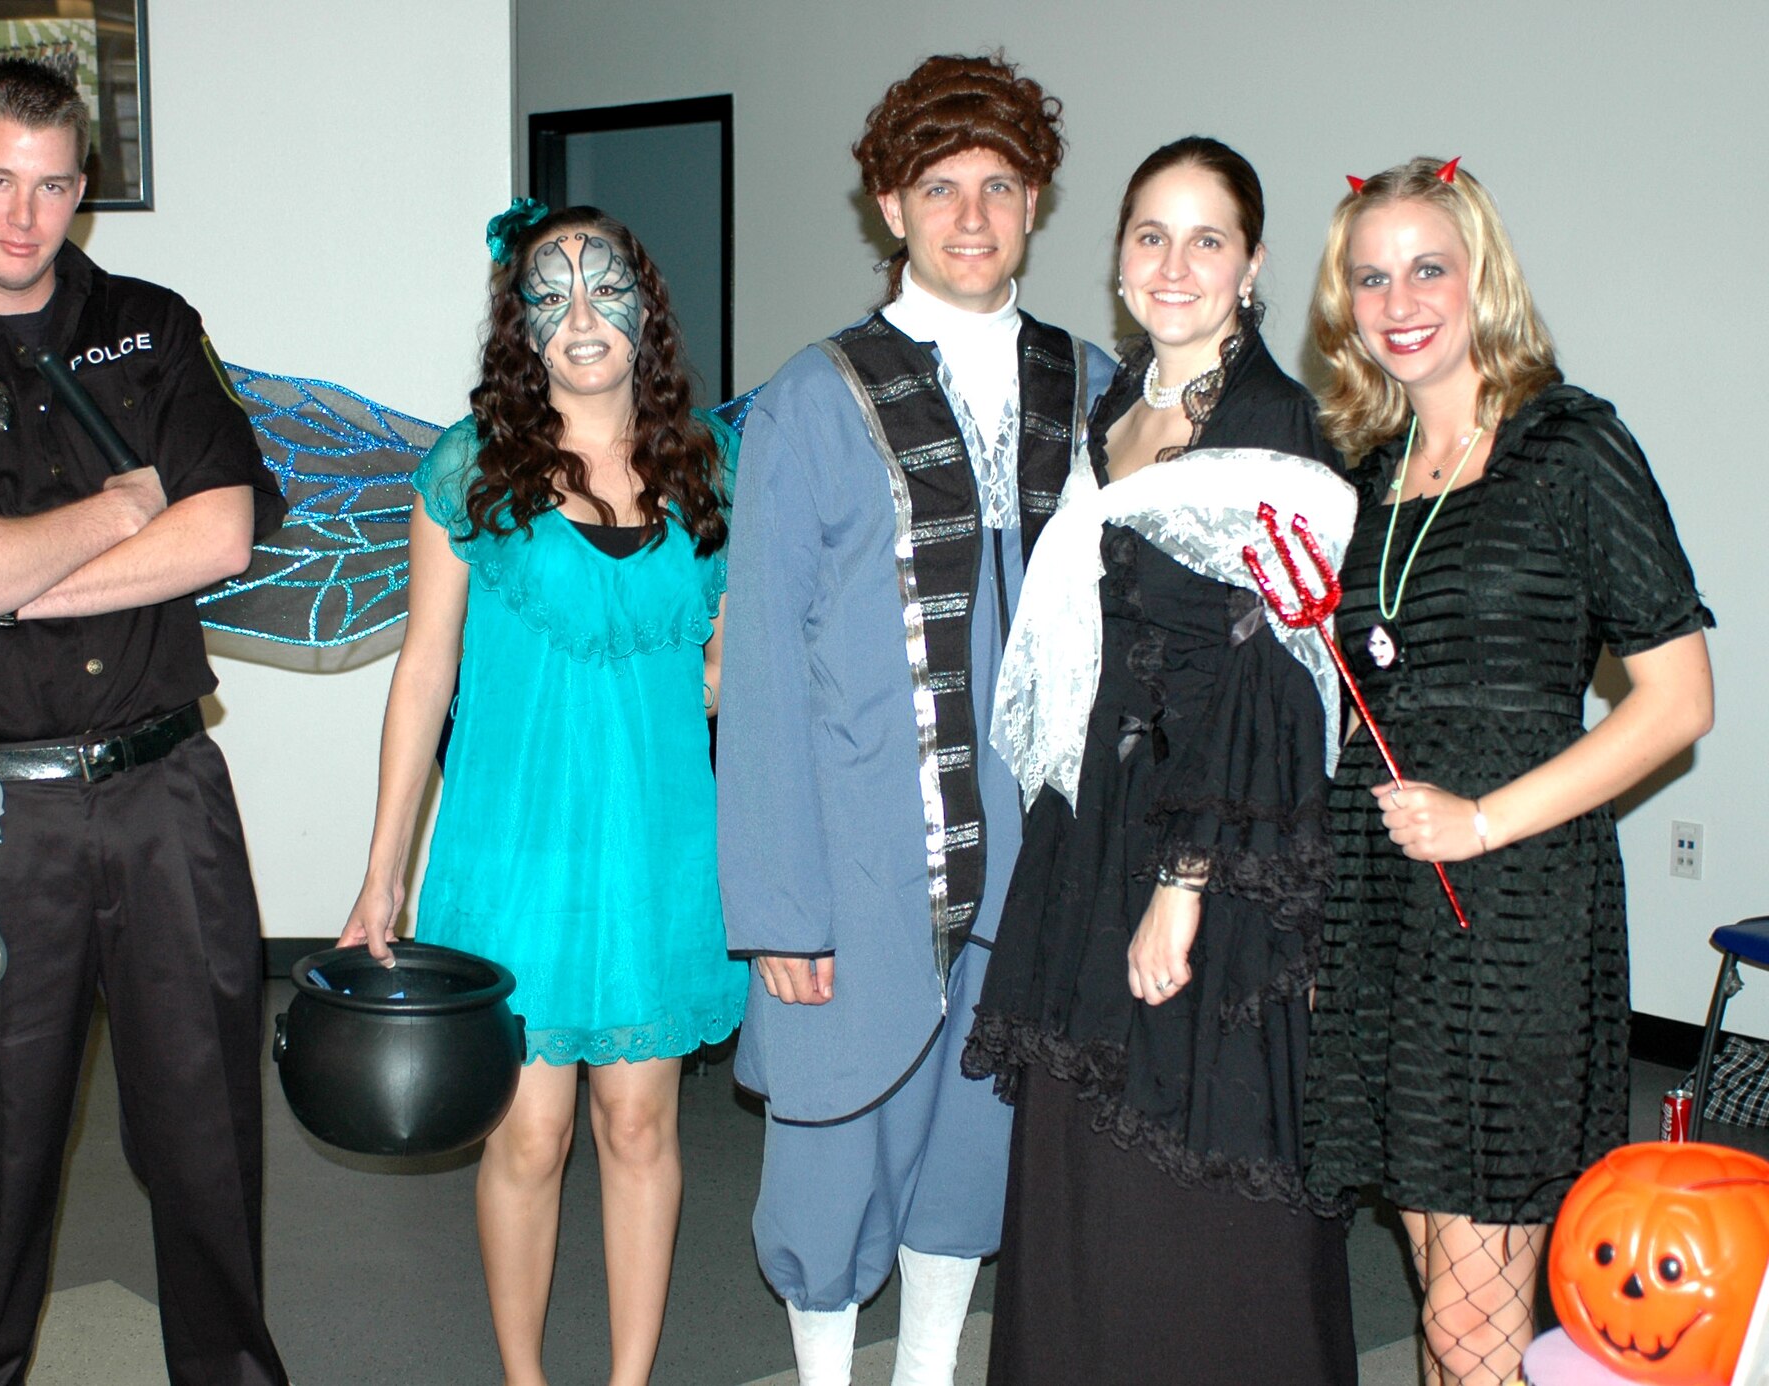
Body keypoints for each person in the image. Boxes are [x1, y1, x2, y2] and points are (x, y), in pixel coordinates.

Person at [0, 57, 288, 1385]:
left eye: (54, 185)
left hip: (168, 798)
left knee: (209, 1153)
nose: (25, 218)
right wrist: (118, 509)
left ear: (84, 189)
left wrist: (17, 582)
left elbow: (228, 526)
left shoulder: (148, 323)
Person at [718, 53, 1108, 1386]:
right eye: (940, 186)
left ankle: (930, 1372)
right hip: (856, 857)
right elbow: (761, 664)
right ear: (891, 205)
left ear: (1035, 199)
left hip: (1039, 863)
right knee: (833, 1152)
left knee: (974, 1143)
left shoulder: (1096, 385)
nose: (972, 214)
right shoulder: (812, 397)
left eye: (1000, 185)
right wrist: (778, 907)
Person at [1301, 157, 1716, 1386]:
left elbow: (1677, 699)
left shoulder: (1569, 443)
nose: (1398, 297)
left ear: (1481, 278)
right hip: (1388, 905)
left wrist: (1481, 820)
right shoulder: (1374, 476)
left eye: (1427, 265)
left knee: (1468, 1320)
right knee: (1440, 1281)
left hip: (1513, 903)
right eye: (1369, 276)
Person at [959, 136, 1359, 1385]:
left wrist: (1184, 884)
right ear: (1117, 259)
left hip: (1211, 846)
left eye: (1205, 238)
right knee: (1088, 1185)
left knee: (1196, 1190)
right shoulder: (1114, 413)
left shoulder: (1269, 426)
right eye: (1148, 234)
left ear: (1250, 268)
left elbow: (1272, 688)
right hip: (1097, 834)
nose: (1172, 262)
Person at [338, 202, 746, 1386]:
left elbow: (720, 664)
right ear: (518, 326)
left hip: (656, 848)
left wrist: (731, 674)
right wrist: (384, 875)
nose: (580, 315)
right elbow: (422, 677)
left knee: (641, 1127)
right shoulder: (468, 469)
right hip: (511, 851)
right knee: (527, 1134)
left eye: (604, 287)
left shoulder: (709, 468)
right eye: (548, 295)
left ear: (645, 311)